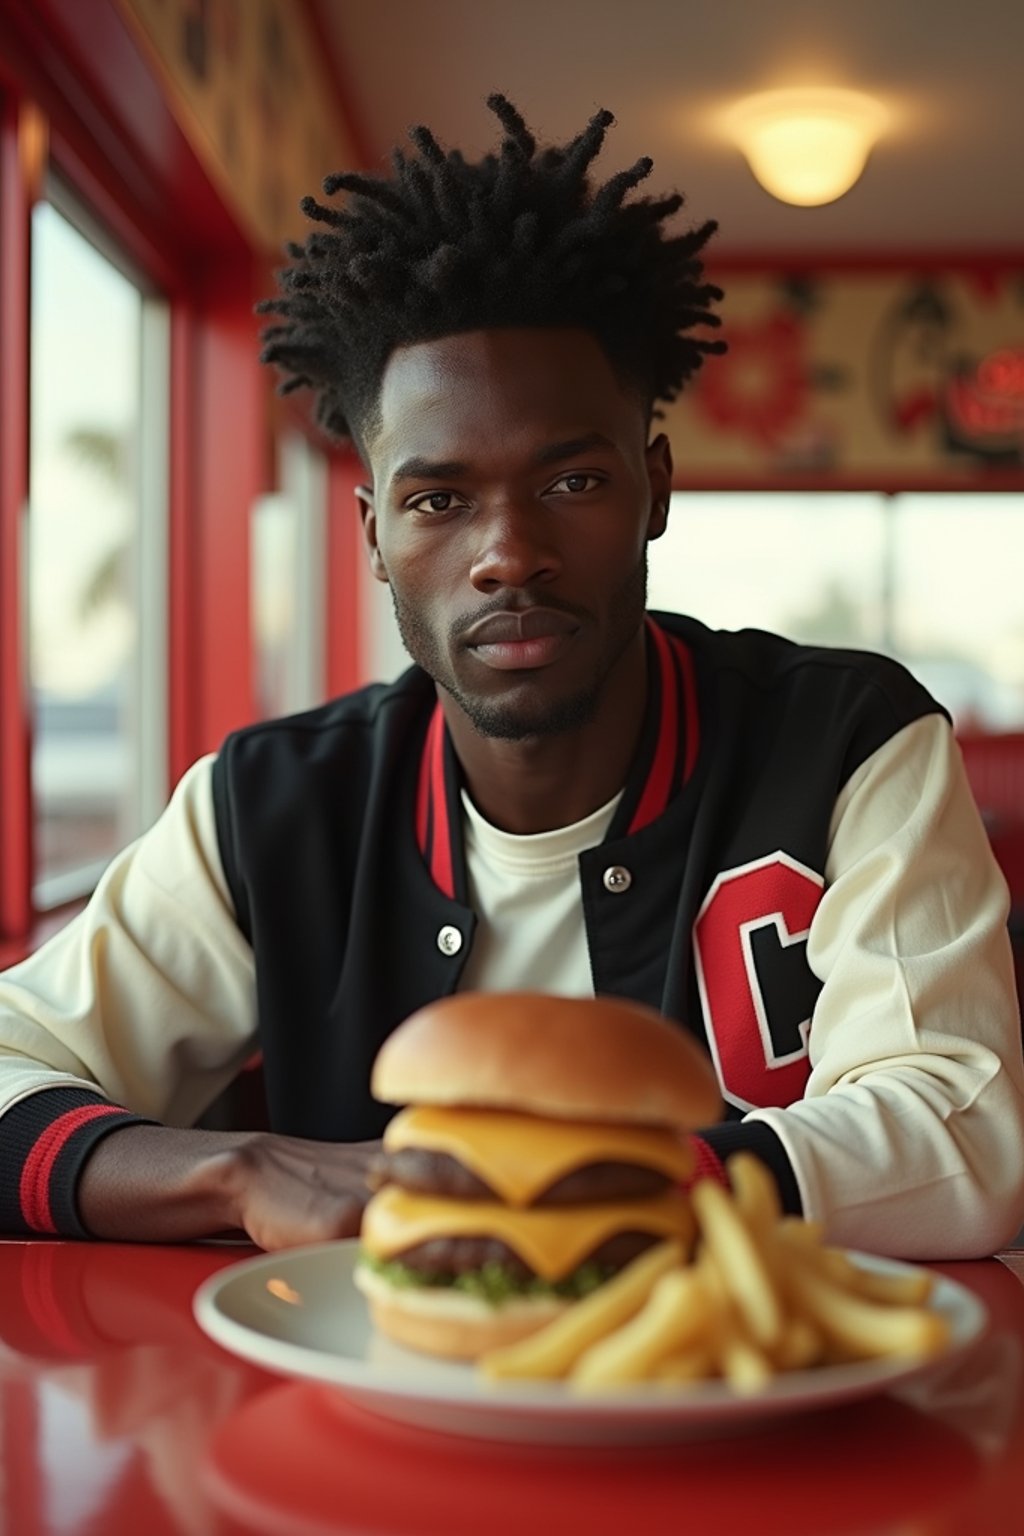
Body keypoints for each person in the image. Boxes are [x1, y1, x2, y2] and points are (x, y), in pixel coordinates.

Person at [1, 96, 1022, 1258]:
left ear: (655, 487)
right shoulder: (270, 806)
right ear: (374, 533)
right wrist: (238, 1172)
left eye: (572, 482)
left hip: (779, 1412)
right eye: (438, 500)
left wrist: (609, 1190)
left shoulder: (846, 741)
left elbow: (969, 1128)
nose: (508, 553)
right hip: (378, 1407)